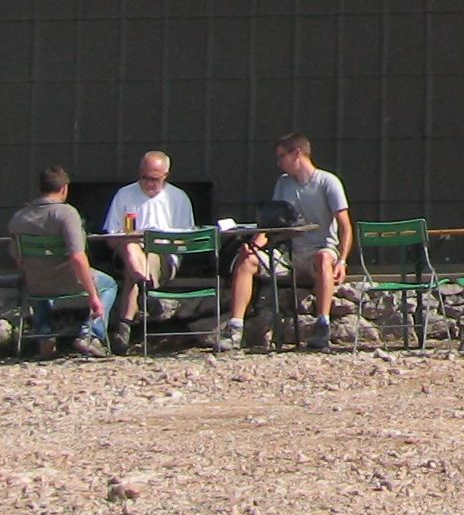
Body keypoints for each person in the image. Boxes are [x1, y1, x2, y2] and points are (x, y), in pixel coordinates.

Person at [217, 133, 352, 353]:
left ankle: (322, 325)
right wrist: (255, 245)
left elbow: (345, 225)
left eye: (282, 156)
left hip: (319, 251)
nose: (279, 162)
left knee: (323, 258)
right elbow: (273, 224)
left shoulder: (328, 182)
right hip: (288, 253)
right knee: (246, 260)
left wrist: (343, 260)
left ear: (297, 154)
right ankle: (235, 329)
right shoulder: (283, 184)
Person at [8, 167, 116, 357]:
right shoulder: (66, 213)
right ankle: (90, 334)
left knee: (37, 280)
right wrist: (92, 295)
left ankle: (44, 334)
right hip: (70, 282)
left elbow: (19, 259)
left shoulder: (19, 218)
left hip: (36, 284)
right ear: (64, 189)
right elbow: (77, 256)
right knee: (109, 285)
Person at [102, 152, 198, 340]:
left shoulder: (178, 198)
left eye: (155, 179)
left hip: (164, 255)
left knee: (138, 264)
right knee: (130, 245)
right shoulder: (125, 195)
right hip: (127, 255)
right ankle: (145, 287)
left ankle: (124, 325)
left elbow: (186, 241)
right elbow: (111, 238)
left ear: (166, 175)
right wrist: (133, 240)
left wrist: (155, 242)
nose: (149, 184)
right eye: (145, 178)